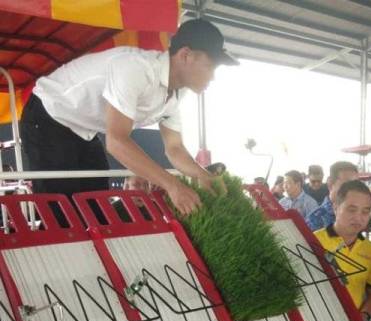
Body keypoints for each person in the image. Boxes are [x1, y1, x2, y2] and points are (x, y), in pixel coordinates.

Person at [20, 18, 237, 216]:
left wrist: (203, 175)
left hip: (85, 130)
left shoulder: (177, 93)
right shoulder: (135, 68)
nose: (213, 76)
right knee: (61, 211)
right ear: (186, 55)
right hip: (49, 114)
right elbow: (116, 141)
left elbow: (175, 148)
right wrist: (173, 185)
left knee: (95, 207)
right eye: (210, 66)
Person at [314, 180, 371, 320]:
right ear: (336, 207)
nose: (358, 217)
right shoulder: (312, 242)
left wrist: (363, 316)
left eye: (365, 211)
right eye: (352, 210)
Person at [307, 161, 358, 231]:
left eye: (356, 185)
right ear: (330, 184)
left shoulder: (356, 214)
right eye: (347, 184)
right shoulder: (315, 220)